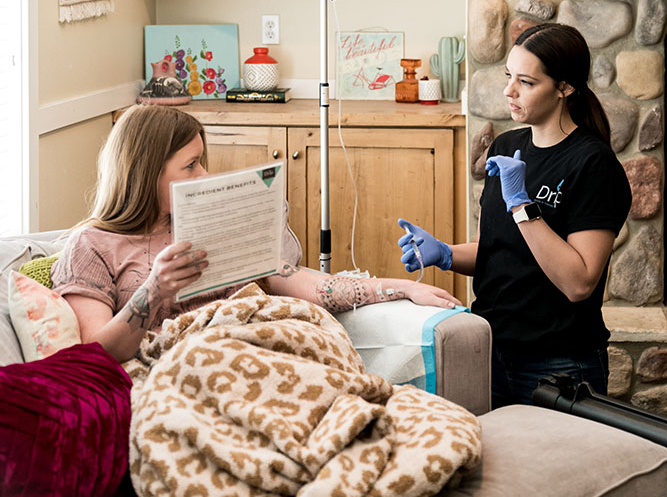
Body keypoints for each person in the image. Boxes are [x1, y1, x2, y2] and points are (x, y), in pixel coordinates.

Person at [51, 103, 461, 363]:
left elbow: (304, 283)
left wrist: (402, 289)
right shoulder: (91, 246)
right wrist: (153, 291)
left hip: (257, 348)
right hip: (183, 371)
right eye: (191, 165)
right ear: (145, 172)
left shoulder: (212, 224)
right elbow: (93, 357)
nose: (204, 175)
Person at [397, 23, 632, 408]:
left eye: (526, 82)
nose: (509, 91)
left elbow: (579, 283)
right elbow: (497, 252)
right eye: (509, 76)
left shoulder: (593, 165)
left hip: (558, 363)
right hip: (487, 349)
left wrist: (523, 205)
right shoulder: (507, 146)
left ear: (565, 87)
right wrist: (444, 253)